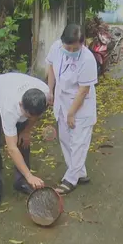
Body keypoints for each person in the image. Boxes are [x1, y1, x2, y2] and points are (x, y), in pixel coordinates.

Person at [0, 72, 49, 203]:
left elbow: (35, 115)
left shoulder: (44, 92)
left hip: (9, 89)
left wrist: (27, 131)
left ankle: (20, 181)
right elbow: (11, 148)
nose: (31, 119)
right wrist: (30, 175)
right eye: (28, 116)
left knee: (23, 140)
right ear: (21, 104)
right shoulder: (10, 109)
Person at [46, 24, 98, 195]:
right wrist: (50, 91)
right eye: (67, 47)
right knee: (65, 139)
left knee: (78, 143)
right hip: (62, 100)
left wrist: (71, 113)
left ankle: (71, 179)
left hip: (80, 105)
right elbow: (51, 68)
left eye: (74, 48)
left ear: (82, 44)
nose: (69, 50)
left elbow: (84, 90)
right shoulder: (56, 47)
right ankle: (79, 172)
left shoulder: (87, 59)